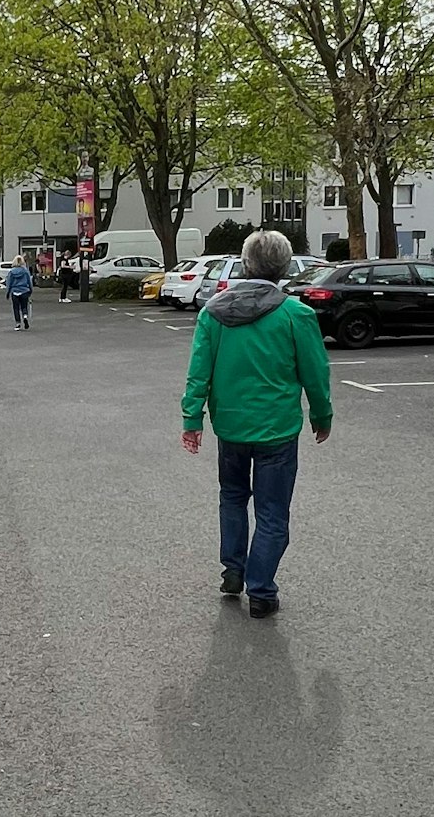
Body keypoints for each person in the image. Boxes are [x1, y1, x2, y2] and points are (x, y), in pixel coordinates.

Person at [179, 230, 332, 617]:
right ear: (284, 268)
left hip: (230, 426)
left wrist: (192, 418)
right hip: (277, 429)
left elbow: (199, 372)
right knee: (272, 511)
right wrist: (321, 414)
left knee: (232, 497)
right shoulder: (297, 315)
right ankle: (261, 590)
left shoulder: (212, 312)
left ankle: (233, 569)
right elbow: (315, 372)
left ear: (245, 265)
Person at [4, 255, 34, 330]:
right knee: (24, 306)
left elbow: (9, 283)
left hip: (15, 291)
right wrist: (30, 290)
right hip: (24, 290)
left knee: (16, 308)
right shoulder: (25, 271)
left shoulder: (11, 272)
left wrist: (8, 292)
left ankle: (18, 324)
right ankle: (25, 316)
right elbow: (29, 281)